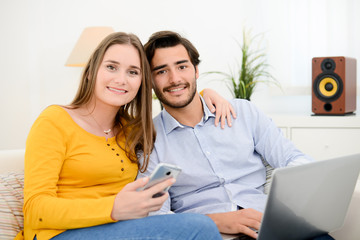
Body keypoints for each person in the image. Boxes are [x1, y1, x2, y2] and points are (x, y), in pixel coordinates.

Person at [18, 32, 228, 240]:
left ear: (141, 83)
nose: (121, 80)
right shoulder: (54, 121)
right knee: (199, 227)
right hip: (60, 234)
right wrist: (113, 208)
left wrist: (204, 94)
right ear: (91, 72)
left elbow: (180, 102)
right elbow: (36, 210)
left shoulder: (132, 129)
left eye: (133, 72)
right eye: (111, 67)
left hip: (121, 230)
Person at [138, 30, 334, 240]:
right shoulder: (150, 140)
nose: (175, 79)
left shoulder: (244, 113)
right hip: (214, 235)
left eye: (182, 66)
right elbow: (155, 215)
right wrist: (215, 221)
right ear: (150, 80)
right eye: (161, 71)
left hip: (272, 226)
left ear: (196, 70)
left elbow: (293, 158)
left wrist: (296, 199)